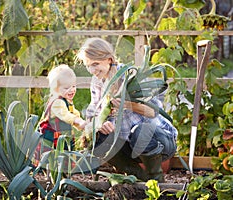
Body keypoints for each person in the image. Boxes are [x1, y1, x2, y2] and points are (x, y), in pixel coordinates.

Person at [76, 37, 178, 182]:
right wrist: (99, 125)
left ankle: (157, 181)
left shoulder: (130, 75)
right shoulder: (97, 82)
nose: (92, 70)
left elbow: (152, 111)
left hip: (159, 141)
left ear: (109, 59)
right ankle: (140, 177)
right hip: (131, 146)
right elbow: (93, 114)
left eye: (95, 64)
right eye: (88, 66)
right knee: (94, 139)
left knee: (141, 131)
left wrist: (127, 104)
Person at [36, 64, 86, 164]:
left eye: (73, 86)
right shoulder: (57, 102)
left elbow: (73, 113)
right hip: (51, 135)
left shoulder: (67, 100)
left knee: (63, 153)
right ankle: (49, 171)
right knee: (51, 156)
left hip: (62, 135)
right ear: (56, 89)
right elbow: (66, 115)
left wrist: (81, 123)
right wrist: (78, 121)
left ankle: (63, 171)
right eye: (67, 87)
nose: (72, 90)